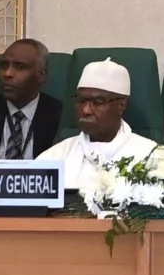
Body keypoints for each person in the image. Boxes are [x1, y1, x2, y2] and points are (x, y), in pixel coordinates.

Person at [37, 60, 154, 191]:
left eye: (98, 102)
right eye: (81, 101)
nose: (86, 110)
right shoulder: (53, 158)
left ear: (121, 105)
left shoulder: (151, 158)